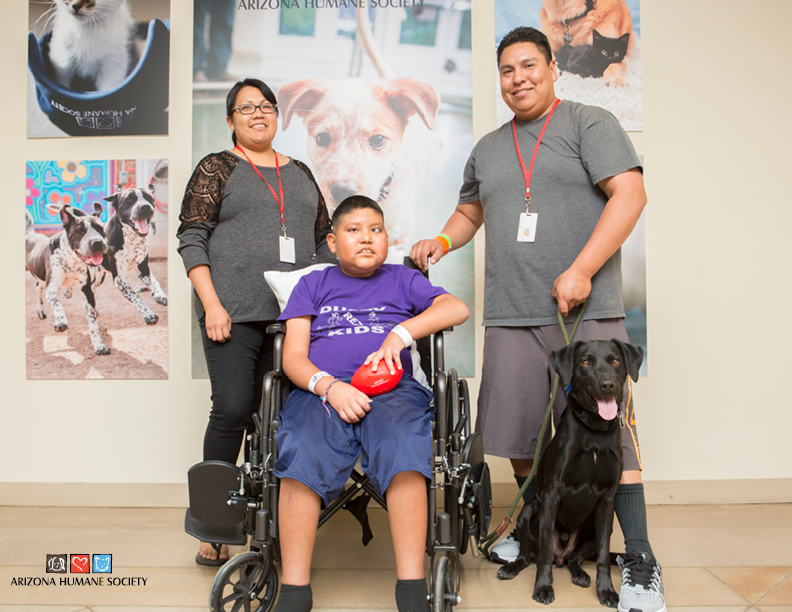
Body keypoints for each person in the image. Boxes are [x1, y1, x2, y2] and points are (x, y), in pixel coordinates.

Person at [409, 27, 665, 612]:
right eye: (507, 70)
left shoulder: (589, 122)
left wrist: (581, 269)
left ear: (553, 68)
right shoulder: (490, 146)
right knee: (523, 431)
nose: (518, 78)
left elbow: (631, 194)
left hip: (587, 310)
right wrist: (443, 240)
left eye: (529, 65)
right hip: (511, 311)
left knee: (613, 436)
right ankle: (539, 532)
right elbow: (472, 209)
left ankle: (643, 562)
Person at [272, 196, 469, 612]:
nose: (366, 238)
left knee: (403, 445)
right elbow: (292, 357)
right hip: (321, 392)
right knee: (303, 447)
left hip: (394, 393)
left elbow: (457, 307)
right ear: (331, 241)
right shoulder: (313, 285)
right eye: (354, 230)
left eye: (375, 230)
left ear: (386, 238)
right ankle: (293, 591)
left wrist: (399, 335)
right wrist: (329, 387)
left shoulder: (402, 279)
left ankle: (412, 588)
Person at [177, 78, 333, 566]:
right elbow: (191, 238)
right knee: (233, 410)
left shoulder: (302, 172)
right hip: (234, 315)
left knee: (284, 421)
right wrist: (213, 304)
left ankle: (275, 519)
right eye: (246, 108)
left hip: (295, 322)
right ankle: (215, 527)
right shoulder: (216, 168)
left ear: (277, 115)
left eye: (266, 106)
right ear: (231, 120)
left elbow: (325, 240)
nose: (258, 113)